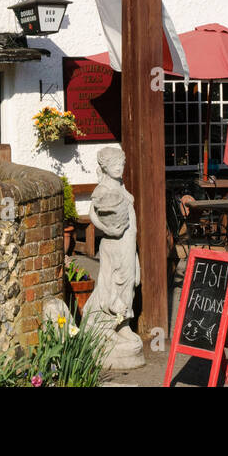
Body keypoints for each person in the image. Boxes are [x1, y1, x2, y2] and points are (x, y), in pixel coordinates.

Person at [82, 145, 145, 368]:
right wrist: (108, 230)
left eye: (121, 164)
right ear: (105, 168)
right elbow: (93, 214)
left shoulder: (120, 184)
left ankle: (123, 324)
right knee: (113, 283)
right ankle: (106, 328)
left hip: (128, 243)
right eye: (115, 165)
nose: (119, 168)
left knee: (129, 284)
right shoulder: (103, 189)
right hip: (115, 244)